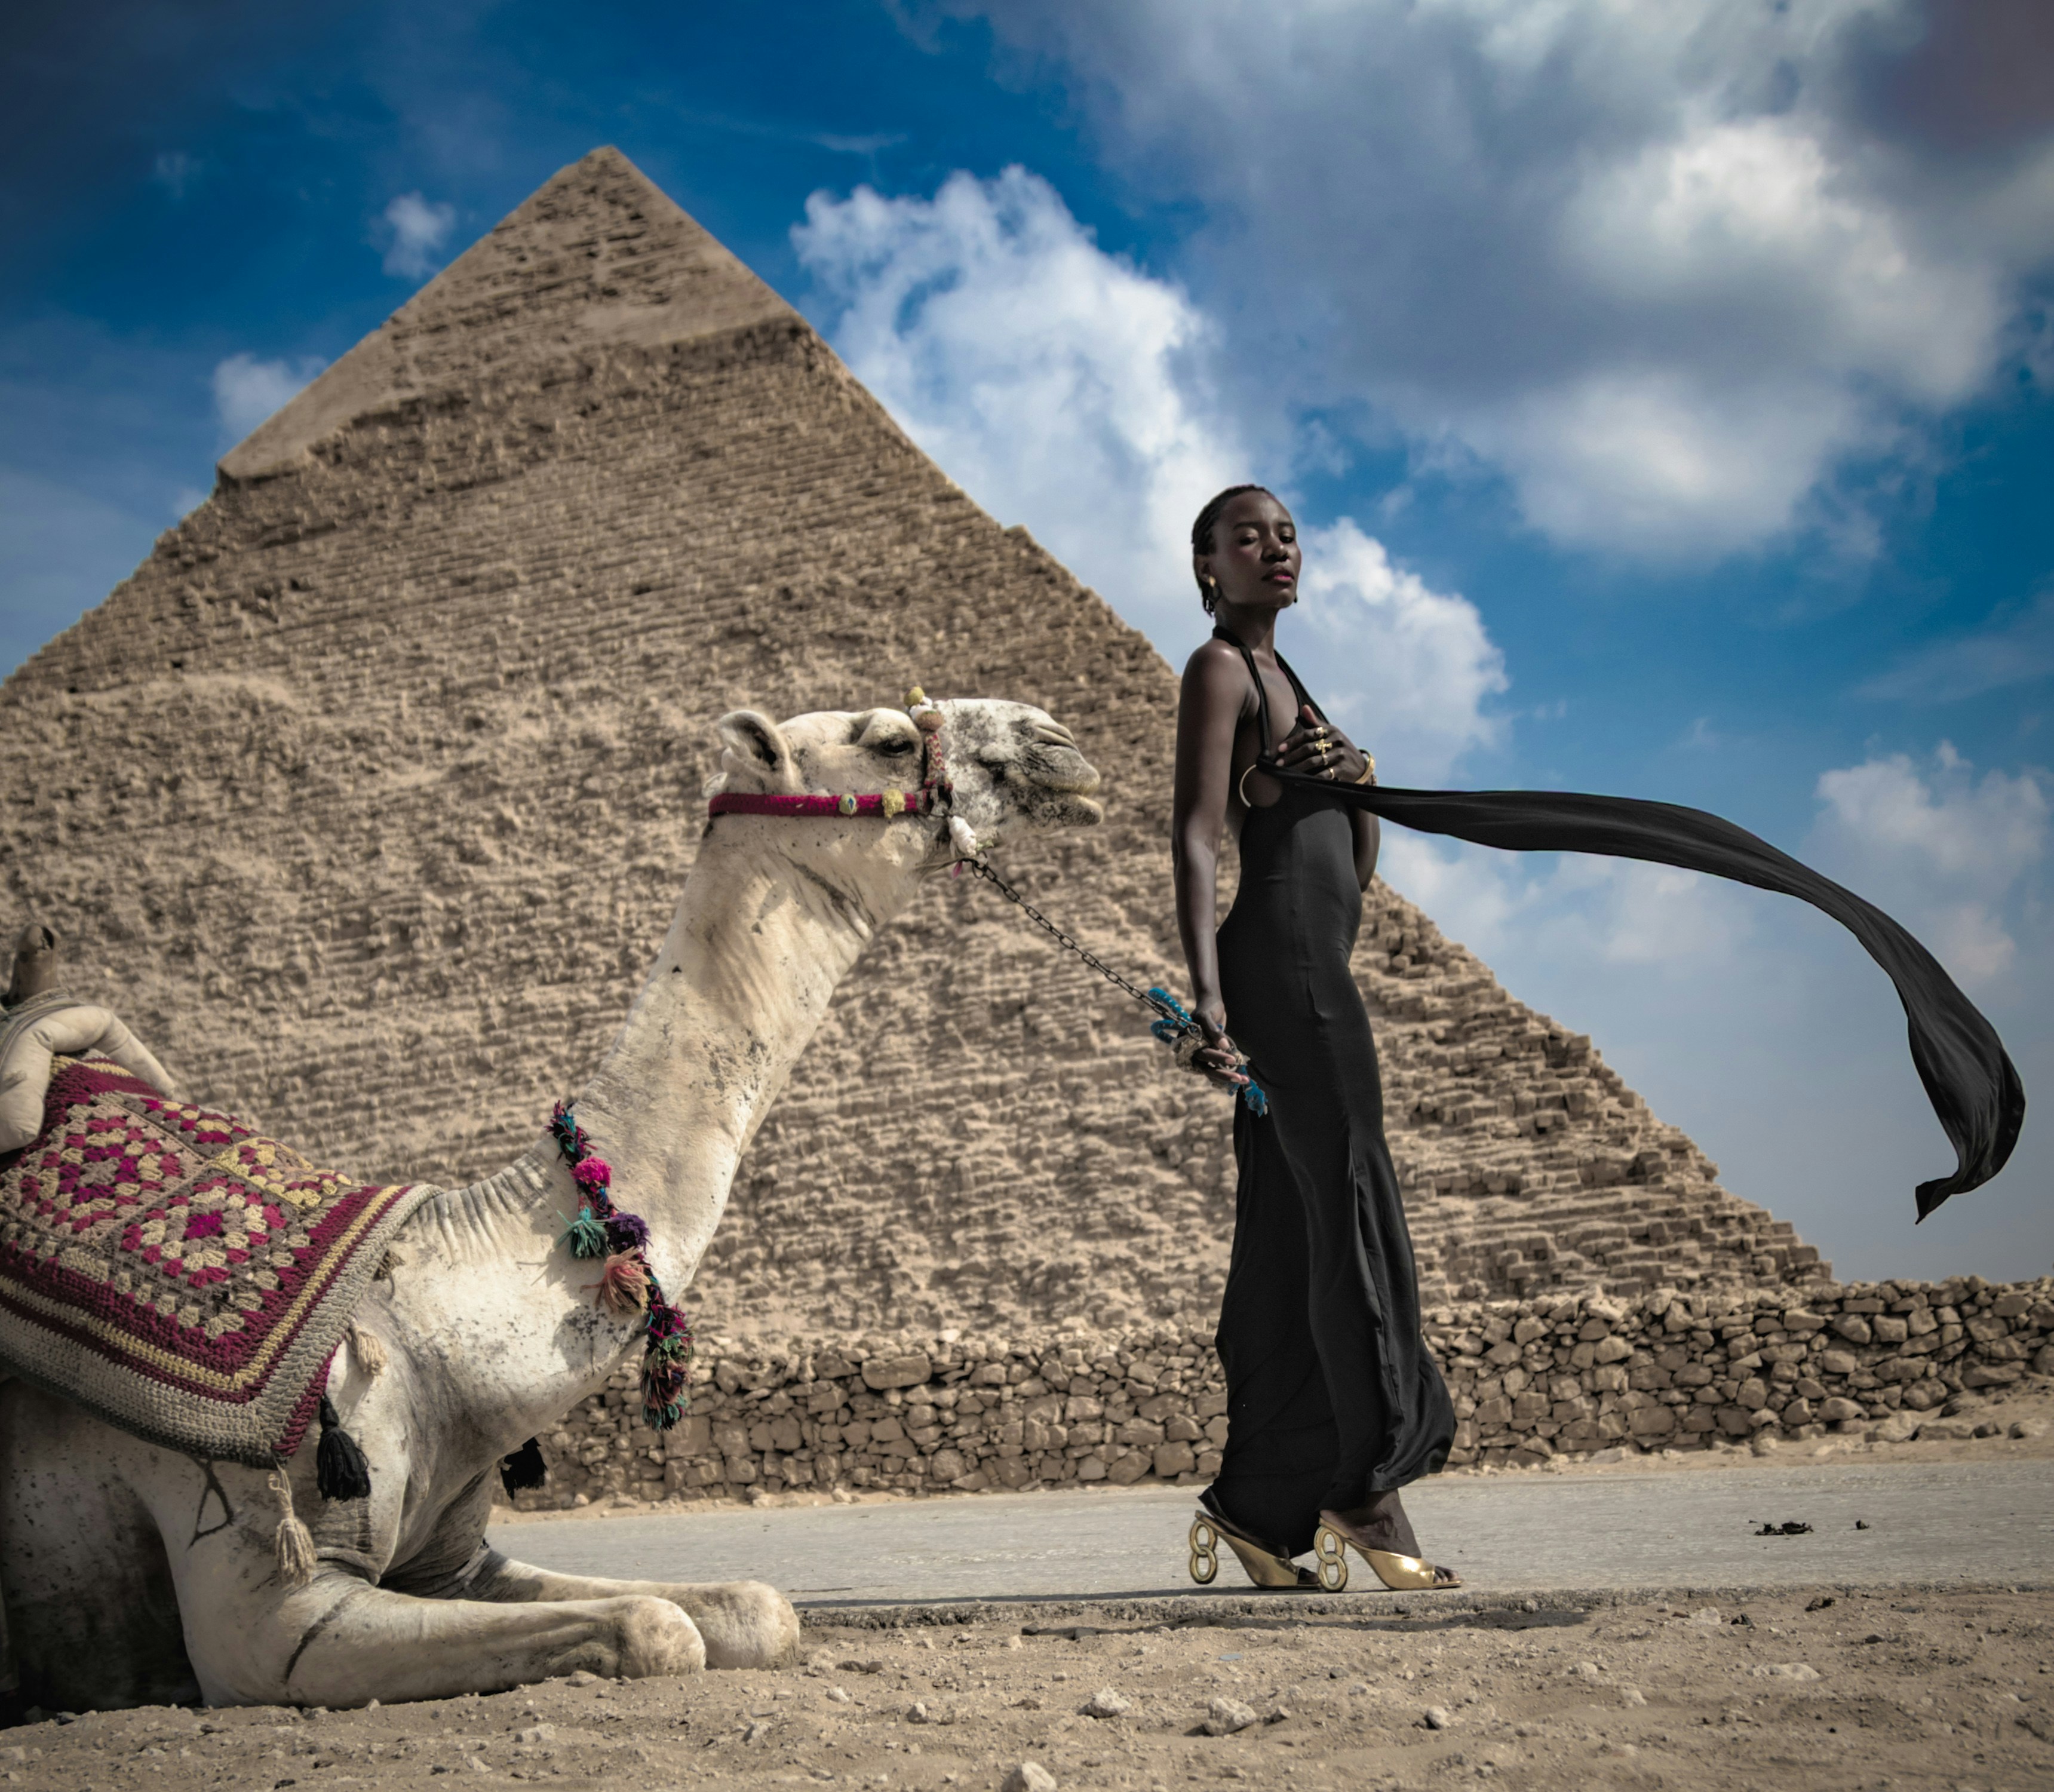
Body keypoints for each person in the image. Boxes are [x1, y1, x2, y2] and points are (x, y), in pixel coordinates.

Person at [1172, 483, 1459, 1594]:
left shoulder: (1293, 683)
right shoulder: (1221, 671)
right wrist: (1207, 998)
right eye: (1248, 537)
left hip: (1314, 962)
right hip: (1280, 973)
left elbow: (1357, 868)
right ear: (1208, 566)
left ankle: (1259, 1508)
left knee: (1296, 1236)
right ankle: (1362, 1488)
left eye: (1288, 534)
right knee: (1348, 1209)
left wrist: (1364, 785)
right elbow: (1198, 838)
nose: (1276, 549)